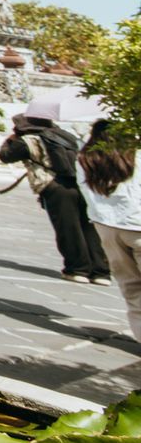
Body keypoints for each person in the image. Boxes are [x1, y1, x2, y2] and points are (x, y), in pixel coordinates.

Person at [0, 112, 112, 284]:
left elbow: (5, 156)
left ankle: (78, 269)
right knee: (88, 228)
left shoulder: (28, 141)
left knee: (68, 229)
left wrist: (10, 139)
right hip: (79, 184)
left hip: (55, 186)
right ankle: (101, 272)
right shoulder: (65, 136)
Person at [80, 120, 141, 329]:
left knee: (131, 286)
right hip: (137, 225)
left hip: (106, 227)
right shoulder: (136, 156)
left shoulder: (84, 159)